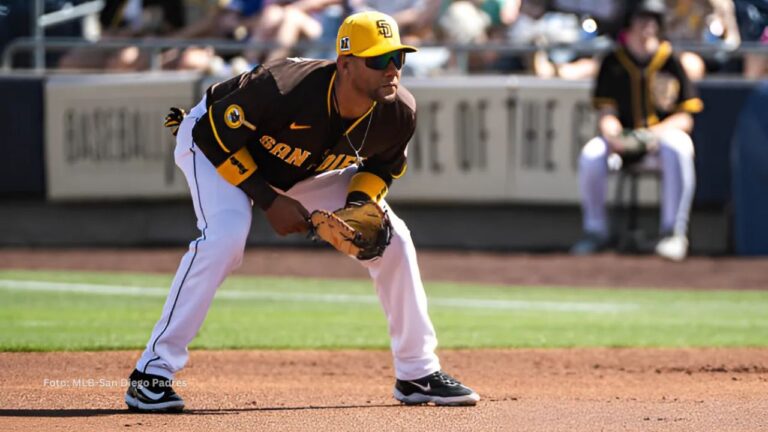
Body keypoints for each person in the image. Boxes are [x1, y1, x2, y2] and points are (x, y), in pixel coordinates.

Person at [124, 10, 480, 412]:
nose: (392, 69)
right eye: (378, 60)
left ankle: (417, 373)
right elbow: (211, 135)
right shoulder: (282, 87)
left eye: (398, 58)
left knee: (393, 241)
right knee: (225, 238)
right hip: (218, 145)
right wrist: (270, 200)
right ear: (345, 63)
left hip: (306, 168)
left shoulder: (398, 111)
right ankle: (151, 373)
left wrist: (359, 206)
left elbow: (383, 167)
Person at [571, 0, 704, 262]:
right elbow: (606, 114)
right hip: (625, 143)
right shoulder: (613, 61)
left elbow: (685, 118)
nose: (648, 26)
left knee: (678, 146)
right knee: (591, 155)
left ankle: (673, 232)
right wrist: (617, 136)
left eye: (653, 20)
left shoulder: (671, 60)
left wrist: (652, 134)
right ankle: (595, 231)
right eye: (642, 19)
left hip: (660, 142)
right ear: (629, 24)